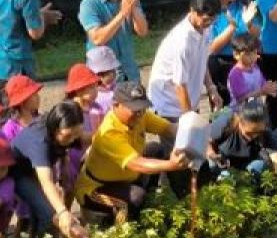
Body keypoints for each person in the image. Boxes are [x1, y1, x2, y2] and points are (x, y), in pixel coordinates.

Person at [76, 82, 189, 218]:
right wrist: (171, 165)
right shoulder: (109, 133)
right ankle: (124, 233)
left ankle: (152, 203)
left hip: (126, 178)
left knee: (156, 149)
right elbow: (137, 163)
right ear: (116, 105)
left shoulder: (140, 116)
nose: (139, 113)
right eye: (134, 109)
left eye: (142, 108)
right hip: (97, 188)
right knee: (135, 197)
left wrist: (191, 132)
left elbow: (168, 128)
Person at [9, 101, 88, 238]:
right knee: (51, 215)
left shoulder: (64, 130)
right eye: (69, 135)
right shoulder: (39, 140)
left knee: (41, 210)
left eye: (76, 134)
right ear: (55, 129)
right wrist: (63, 212)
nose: (72, 139)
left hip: (36, 169)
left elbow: (82, 138)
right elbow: (46, 182)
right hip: (19, 172)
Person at [148, 0, 222, 121]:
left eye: (212, 20)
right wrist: (190, 120)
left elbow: (202, 61)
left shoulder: (206, 29)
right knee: (181, 141)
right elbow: (179, 85)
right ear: (192, 10)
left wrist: (211, 88)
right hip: (170, 107)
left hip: (189, 102)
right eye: (205, 20)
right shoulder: (182, 42)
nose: (208, 23)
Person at [79, 0, 149, 83]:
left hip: (130, 73)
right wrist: (123, 13)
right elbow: (97, 38)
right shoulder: (89, 4)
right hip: (104, 79)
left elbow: (143, 31)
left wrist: (133, 8)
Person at [207, 0, 260, 106]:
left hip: (245, 59)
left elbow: (257, 34)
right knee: (224, 108)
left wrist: (249, 24)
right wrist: (232, 28)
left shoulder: (242, 2)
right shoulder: (210, 8)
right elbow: (211, 48)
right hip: (221, 63)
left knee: (248, 105)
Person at [197, 100, 273, 188]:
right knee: (224, 177)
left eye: (258, 132)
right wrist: (212, 154)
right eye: (249, 133)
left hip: (246, 162)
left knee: (260, 166)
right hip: (222, 161)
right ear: (240, 123)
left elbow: (274, 158)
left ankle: (247, 185)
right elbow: (206, 140)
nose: (253, 136)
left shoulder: (265, 131)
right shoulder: (224, 123)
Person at [227, 33, 277, 108]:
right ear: (236, 54)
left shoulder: (255, 68)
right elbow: (242, 99)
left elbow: (262, 83)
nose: (252, 57)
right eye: (247, 54)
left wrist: (269, 87)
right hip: (240, 113)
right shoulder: (235, 74)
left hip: (256, 109)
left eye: (254, 53)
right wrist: (261, 92)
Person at [0, 74, 44, 143]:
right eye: (34, 95)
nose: (38, 97)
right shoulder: (10, 129)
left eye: (37, 93)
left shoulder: (41, 120)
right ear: (22, 101)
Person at [65, 63, 104, 135]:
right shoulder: (71, 112)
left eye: (96, 86)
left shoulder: (97, 107)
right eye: (92, 88)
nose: (96, 91)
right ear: (78, 90)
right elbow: (77, 137)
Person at [87, 45, 120, 113]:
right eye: (112, 70)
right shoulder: (103, 97)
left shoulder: (113, 86)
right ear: (100, 76)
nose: (115, 73)